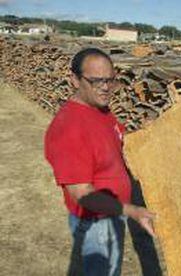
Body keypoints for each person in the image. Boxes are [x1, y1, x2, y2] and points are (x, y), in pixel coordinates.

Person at [45, 48, 155, 276]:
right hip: (96, 223)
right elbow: (83, 193)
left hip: (111, 215)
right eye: (96, 81)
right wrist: (132, 211)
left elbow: (120, 142)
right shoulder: (69, 128)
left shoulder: (101, 111)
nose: (105, 88)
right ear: (74, 80)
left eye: (110, 80)